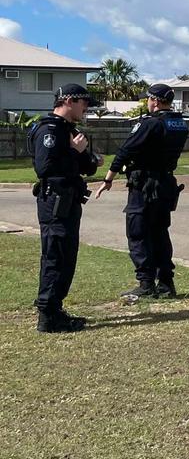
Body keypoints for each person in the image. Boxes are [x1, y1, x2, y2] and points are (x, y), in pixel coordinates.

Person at [96, 84, 189, 299]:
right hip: (166, 183)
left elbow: (126, 150)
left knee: (137, 232)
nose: (147, 103)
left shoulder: (150, 123)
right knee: (159, 233)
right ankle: (166, 282)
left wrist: (108, 178)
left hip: (145, 185)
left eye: (148, 99)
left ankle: (146, 283)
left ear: (155, 101)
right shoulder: (179, 123)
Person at [29, 83, 103, 333]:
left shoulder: (68, 130)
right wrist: (74, 152)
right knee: (55, 254)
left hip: (69, 200)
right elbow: (45, 167)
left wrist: (87, 157)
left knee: (66, 255)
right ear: (69, 101)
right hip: (55, 201)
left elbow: (87, 167)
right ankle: (48, 315)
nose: (86, 109)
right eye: (84, 103)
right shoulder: (49, 129)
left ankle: (55, 309)